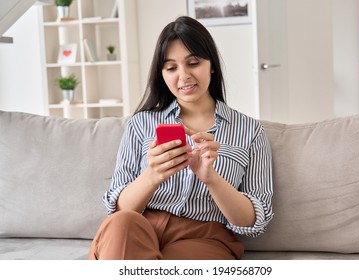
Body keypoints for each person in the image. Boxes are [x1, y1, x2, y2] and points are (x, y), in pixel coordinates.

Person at [88, 16, 273, 260]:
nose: (183, 76)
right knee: (121, 223)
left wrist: (212, 179)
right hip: (140, 228)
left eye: (193, 62)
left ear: (211, 65)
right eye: (171, 68)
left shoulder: (250, 131)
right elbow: (118, 207)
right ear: (162, 74)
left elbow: (254, 220)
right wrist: (152, 175)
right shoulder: (141, 124)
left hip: (205, 236)